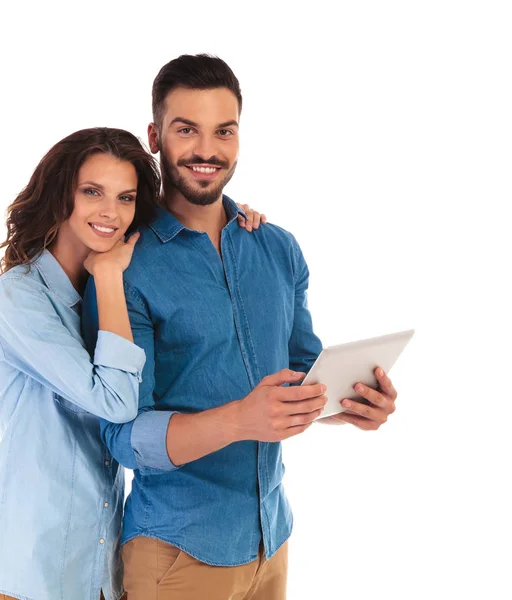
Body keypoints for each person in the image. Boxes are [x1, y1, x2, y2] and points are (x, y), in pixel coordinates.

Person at [83, 55, 399, 600]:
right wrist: (239, 420)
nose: (207, 150)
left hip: (270, 540)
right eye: (187, 130)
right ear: (156, 136)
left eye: (223, 131)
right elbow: (122, 436)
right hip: (175, 553)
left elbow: (301, 377)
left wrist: (349, 405)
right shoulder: (122, 267)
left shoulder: (277, 247)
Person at [0, 125, 269, 600]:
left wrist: (232, 223)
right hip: (25, 572)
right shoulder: (21, 296)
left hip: (97, 573)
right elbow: (116, 401)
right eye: (92, 192)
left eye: (126, 198)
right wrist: (109, 278)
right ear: (60, 195)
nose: (110, 212)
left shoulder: (111, 295)